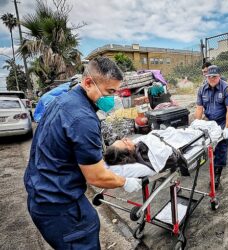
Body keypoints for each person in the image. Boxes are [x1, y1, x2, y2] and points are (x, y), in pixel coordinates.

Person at [23, 57, 142, 250]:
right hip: (60, 206)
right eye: (110, 92)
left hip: (42, 196)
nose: (112, 98)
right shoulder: (82, 119)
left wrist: (114, 147)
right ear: (88, 82)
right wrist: (125, 182)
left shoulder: (63, 101)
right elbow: (96, 177)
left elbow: (73, 148)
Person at [194, 65, 228, 188]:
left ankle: (217, 174)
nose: (211, 79)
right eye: (209, 76)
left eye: (214, 76)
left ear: (219, 76)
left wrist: (227, 128)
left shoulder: (227, 89)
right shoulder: (202, 89)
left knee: (222, 145)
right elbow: (199, 108)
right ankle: (215, 163)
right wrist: (197, 123)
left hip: (223, 121)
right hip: (209, 121)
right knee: (209, 146)